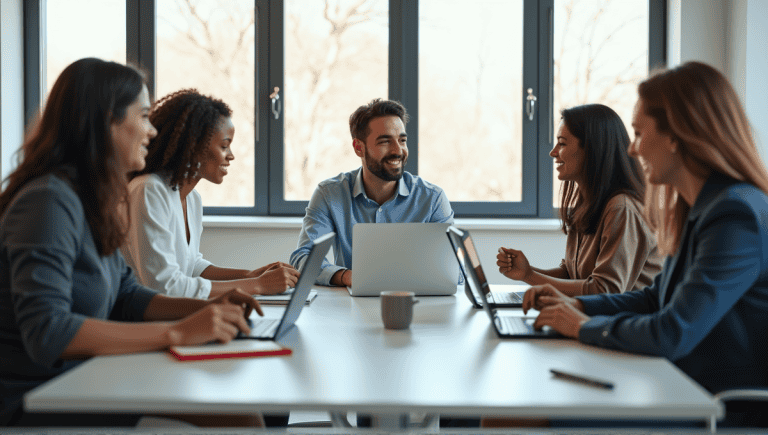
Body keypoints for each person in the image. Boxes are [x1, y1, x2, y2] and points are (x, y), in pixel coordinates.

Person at [0, 58, 262, 427]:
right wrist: (178, 332)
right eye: (142, 116)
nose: (152, 131)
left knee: (241, 409)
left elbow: (127, 295)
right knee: (239, 418)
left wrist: (210, 307)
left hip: (83, 377)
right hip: (36, 396)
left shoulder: (92, 199)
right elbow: (49, 331)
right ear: (105, 122)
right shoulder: (47, 201)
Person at [524, 61, 768, 428]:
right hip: (676, 382)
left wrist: (580, 326)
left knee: (521, 414)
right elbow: (655, 298)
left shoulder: (735, 214)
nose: (633, 150)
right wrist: (576, 305)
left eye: (638, 134)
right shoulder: (700, 207)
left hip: (713, 403)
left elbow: (673, 330)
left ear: (675, 136)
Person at [122, 89, 299, 299]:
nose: (231, 156)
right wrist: (257, 285)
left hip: (176, 315)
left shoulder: (192, 199)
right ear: (193, 146)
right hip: (142, 321)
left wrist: (250, 275)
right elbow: (164, 286)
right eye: (224, 146)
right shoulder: (149, 190)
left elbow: (192, 265)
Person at [496, 104, 663, 296]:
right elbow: (571, 274)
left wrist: (531, 276)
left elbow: (604, 291)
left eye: (562, 143)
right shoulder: (588, 203)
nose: (553, 152)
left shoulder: (621, 209)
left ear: (592, 149)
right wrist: (526, 273)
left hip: (626, 323)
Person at [289, 98, 454, 287]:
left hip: (418, 306)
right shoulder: (329, 194)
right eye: (385, 141)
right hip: (350, 306)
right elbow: (304, 257)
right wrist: (347, 277)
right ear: (359, 148)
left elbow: (456, 270)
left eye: (402, 140)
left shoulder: (432, 199)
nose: (398, 150)